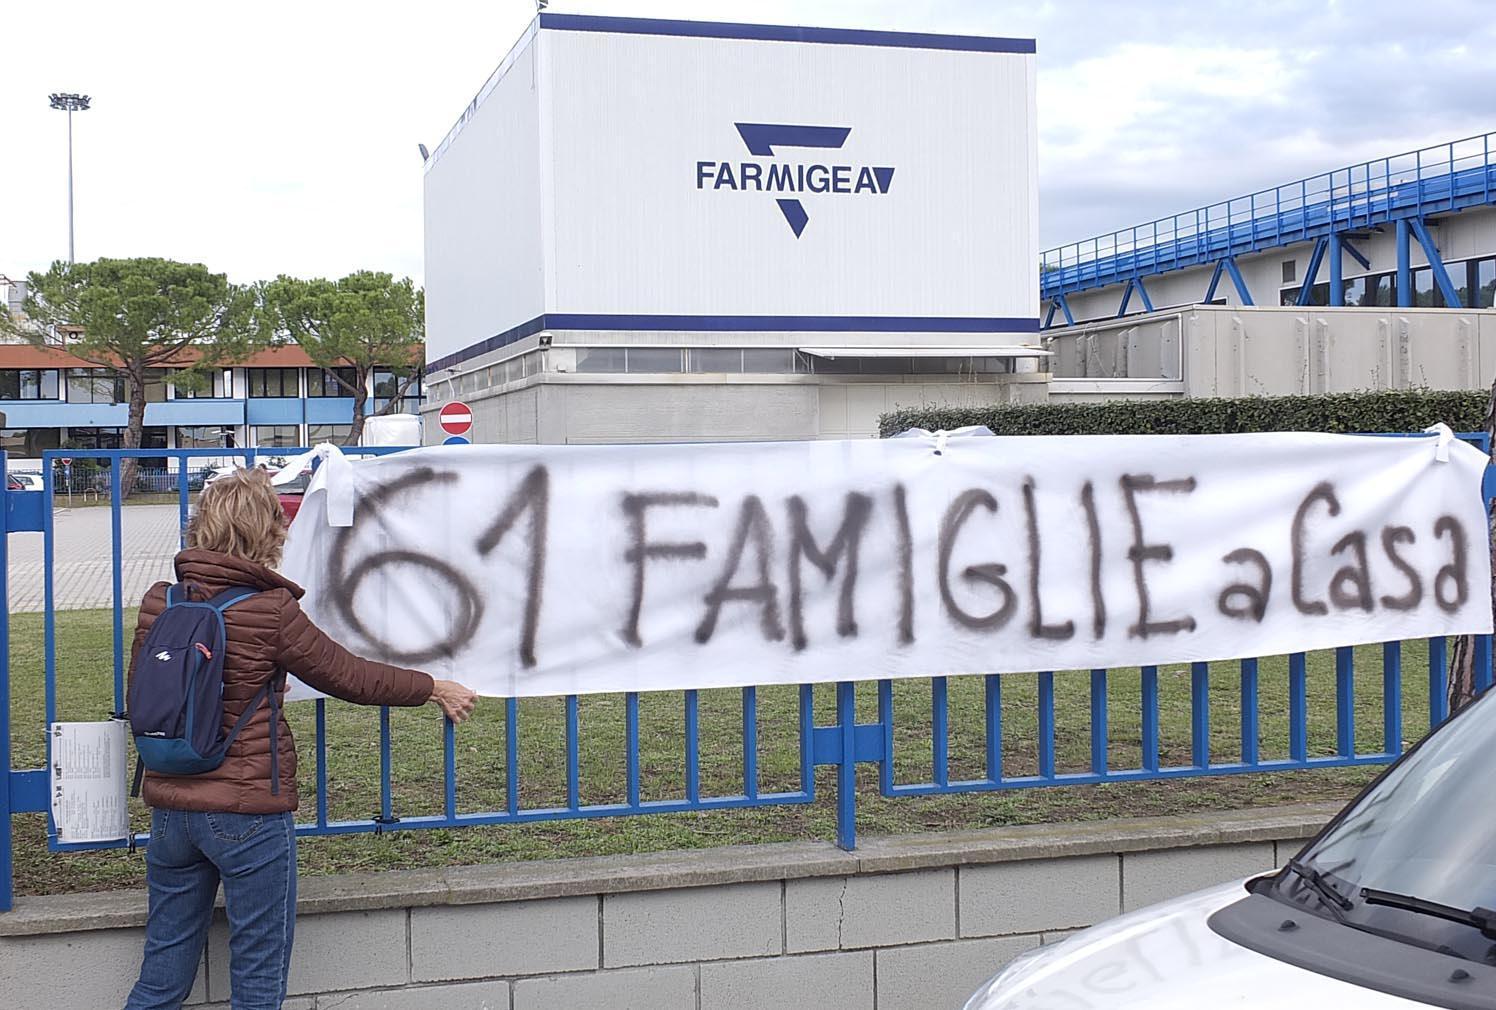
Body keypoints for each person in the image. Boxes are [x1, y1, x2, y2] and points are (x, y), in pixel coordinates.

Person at [122, 467, 477, 1010]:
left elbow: (145, 690)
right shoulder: (270, 611)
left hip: (170, 808)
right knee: (258, 975)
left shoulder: (159, 602)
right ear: (268, 531)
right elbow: (349, 676)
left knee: (161, 975)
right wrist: (432, 687)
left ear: (201, 525)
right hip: (248, 813)